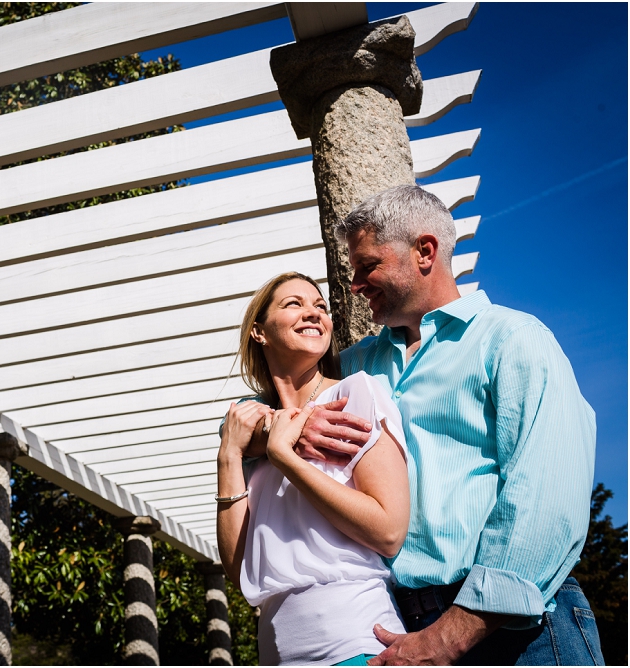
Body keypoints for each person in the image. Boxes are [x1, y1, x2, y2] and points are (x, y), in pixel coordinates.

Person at [326, 184, 599, 665]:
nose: (355, 285)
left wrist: (451, 634)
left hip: (521, 633)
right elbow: (276, 383)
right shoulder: (355, 367)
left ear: (425, 252)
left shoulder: (513, 339)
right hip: (404, 628)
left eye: (368, 266)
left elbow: (545, 500)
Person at [217, 271, 412, 666]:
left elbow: (388, 531)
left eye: (320, 306)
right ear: (259, 332)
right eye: (294, 304)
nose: (313, 313)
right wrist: (229, 456)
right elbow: (240, 572)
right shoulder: (248, 428)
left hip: (356, 644)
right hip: (277, 653)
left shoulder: (355, 394)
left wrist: (285, 458)